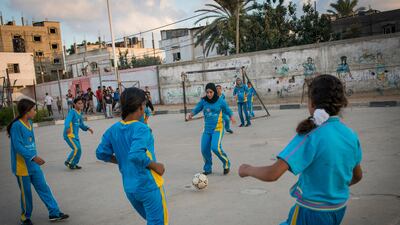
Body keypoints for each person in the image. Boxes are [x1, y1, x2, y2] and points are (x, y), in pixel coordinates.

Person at [238, 75, 363, 225]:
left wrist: (247, 169)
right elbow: (357, 176)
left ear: (312, 102)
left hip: (311, 212)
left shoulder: (311, 135)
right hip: (338, 209)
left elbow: (273, 174)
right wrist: (332, 186)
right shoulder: (350, 134)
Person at [96, 87, 168, 225]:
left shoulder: (113, 130)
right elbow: (136, 154)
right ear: (141, 107)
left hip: (130, 188)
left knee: (152, 220)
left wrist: (121, 160)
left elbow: (101, 153)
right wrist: (156, 166)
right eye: (145, 105)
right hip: (149, 185)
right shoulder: (141, 128)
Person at [7, 99, 69, 225]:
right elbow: (18, 146)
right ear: (26, 111)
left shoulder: (29, 122)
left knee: (44, 188)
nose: (35, 112)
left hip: (33, 165)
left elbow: (31, 143)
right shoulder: (16, 126)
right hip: (22, 167)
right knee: (27, 194)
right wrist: (33, 157)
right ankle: (25, 217)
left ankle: (54, 213)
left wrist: (34, 158)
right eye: (33, 110)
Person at [188, 83, 235, 175]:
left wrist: (231, 117)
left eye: (211, 92)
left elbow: (227, 110)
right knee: (204, 149)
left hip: (218, 128)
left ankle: (226, 163)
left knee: (215, 148)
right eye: (207, 92)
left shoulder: (220, 101)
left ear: (214, 91)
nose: (209, 94)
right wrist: (191, 114)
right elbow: (197, 108)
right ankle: (207, 168)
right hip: (207, 129)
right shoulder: (203, 101)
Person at [63, 97, 94, 170]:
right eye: (79, 103)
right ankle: (69, 162)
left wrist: (88, 128)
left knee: (79, 150)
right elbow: (68, 120)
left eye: (82, 103)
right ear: (74, 104)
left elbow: (81, 125)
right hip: (69, 135)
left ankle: (73, 163)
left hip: (75, 136)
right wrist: (67, 127)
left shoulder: (79, 113)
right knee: (77, 149)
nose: (81, 105)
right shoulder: (72, 112)